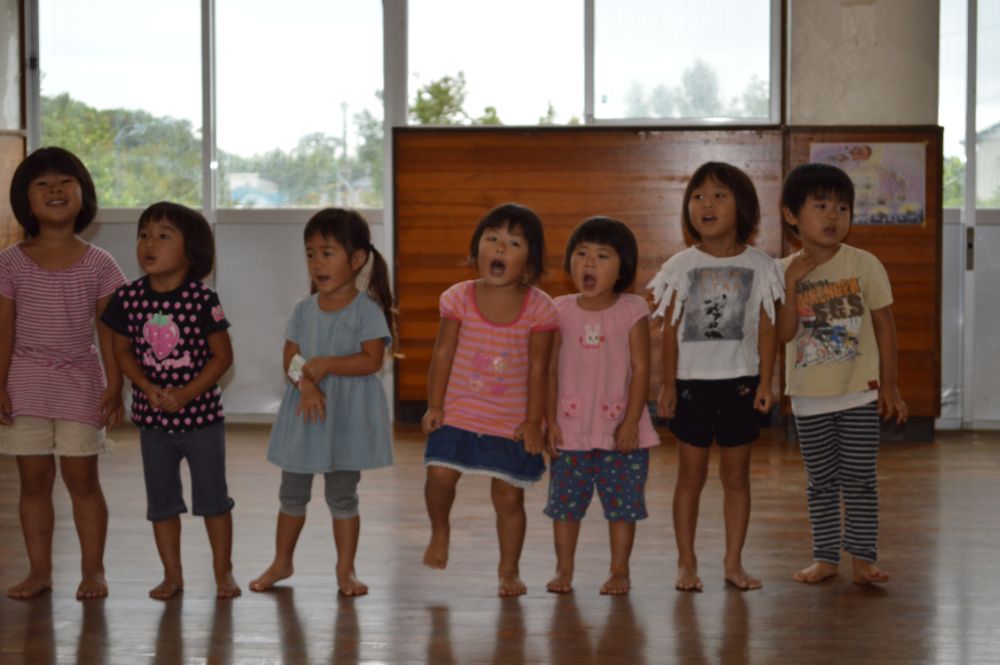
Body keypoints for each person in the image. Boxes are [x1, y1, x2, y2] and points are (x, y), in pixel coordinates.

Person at [648, 161, 784, 592]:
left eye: (719, 195)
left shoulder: (762, 266)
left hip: (741, 382)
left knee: (736, 477)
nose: (706, 204)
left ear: (742, 207)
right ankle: (686, 562)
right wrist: (668, 384)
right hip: (692, 384)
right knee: (690, 476)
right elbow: (669, 331)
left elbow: (768, 329)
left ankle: (733, 562)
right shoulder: (679, 266)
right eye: (698, 196)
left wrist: (767, 382)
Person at [0, 147, 126, 600]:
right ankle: (40, 572)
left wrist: (115, 383)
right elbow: (4, 330)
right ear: (25, 200)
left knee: (83, 482)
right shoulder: (10, 262)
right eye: (42, 184)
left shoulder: (101, 263)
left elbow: (110, 332)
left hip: (81, 382)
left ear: (83, 194)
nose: (55, 190)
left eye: (64, 182)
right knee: (34, 483)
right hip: (25, 382)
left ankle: (93, 571)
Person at [250, 208, 395, 597]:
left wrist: (328, 364)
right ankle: (282, 561)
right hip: (306, 414)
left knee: (342, 495)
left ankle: (346, 570)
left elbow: (371, 360)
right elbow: (290, 359)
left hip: (346, 420)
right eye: (310, 254)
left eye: (327, 253)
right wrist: (306, 385)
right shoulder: (303, 309)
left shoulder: (367, 310)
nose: (317, 263)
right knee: (291, 493)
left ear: (357, 258)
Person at [776, 162, 907, 586]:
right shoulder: (781, 270)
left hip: (859, 393)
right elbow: (784, 334)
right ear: (791, 214)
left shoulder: (864, 264)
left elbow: (885, 327)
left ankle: (863, 560)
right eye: (820, 206)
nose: (833, 215)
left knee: (860, 480)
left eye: (842, 207)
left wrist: (890, 387)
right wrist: (792, 283)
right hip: (809, 397)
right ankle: (826, 558)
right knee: (821, 483)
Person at [101, 201, 240, 600]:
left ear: (190, 251)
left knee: (213, 500)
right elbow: (121, 350)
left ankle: (223, 573)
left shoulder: (202, 299)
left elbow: (222, 357)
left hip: (202, 422)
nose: (149, 243)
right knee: (161, 503)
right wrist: (145, 386)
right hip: (153, 424)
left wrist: (186, 394)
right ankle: (172, 575)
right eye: (144, 235)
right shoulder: (127, 298)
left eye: (163, 236)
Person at [421, 202, 558, 597]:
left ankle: (509, 570)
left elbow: (540, 369)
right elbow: (443, 354)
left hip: (510, 421)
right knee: (439, 475)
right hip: (459, 412)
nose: (500, 247)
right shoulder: (459, 298)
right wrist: (435, 405)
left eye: (514, 243)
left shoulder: (540, 308)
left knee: (508, 496)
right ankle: (440, 529)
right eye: (492, 239)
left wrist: (534, 422)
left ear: (529, 263)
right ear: (476, 250)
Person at [544, 216, 660, 596]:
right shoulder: (558, 309)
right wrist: (549, 421)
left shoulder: (632, 309)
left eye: (602, 255)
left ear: (622, 268)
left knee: (623, 507)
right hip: (569, 429)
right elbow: (549, 369)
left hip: (621, 430)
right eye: (581, 253)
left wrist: (631, 422)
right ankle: (564, 569)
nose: (589, 263)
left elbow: (641, 368)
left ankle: (620, 571)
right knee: (565, 506)